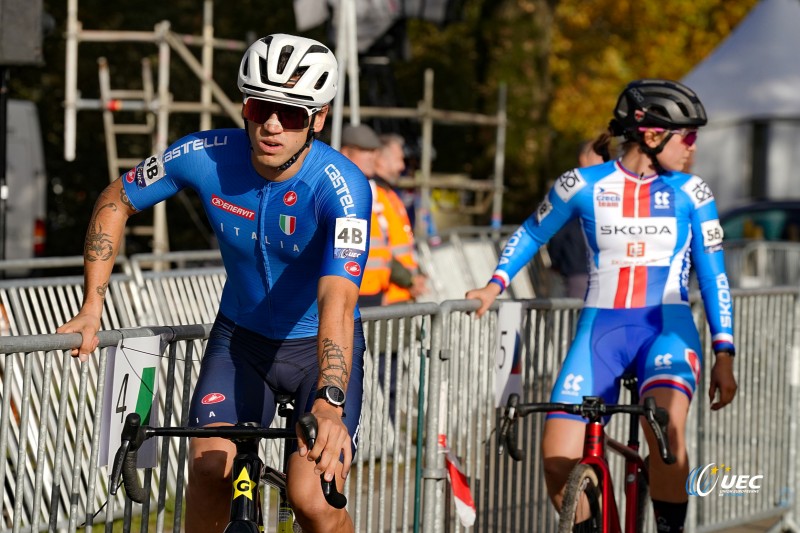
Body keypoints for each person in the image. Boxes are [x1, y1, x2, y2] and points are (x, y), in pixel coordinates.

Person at [57, 34, 372, 533]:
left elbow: (338, 294)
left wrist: (330, 398)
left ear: (319, 118)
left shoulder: (342, 186)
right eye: (258, 106)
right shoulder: (205, 153)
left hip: (317, 348)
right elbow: (115, 200)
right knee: (207, 473)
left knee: (310, 498)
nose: (270, 124)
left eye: (290, 114)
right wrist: (92, 305)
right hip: (240, 341)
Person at [466, 79, 737, 533]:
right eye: (686, 136)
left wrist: (724, 353)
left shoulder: (694, 193)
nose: (692, 147)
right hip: (600, 334)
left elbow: (713, 276)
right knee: (556, 458)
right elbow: (533, 232)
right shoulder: (582, 184)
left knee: (667, 435)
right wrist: (494, 285)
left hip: (666, 331)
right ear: (651, 136)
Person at [339, 123, 392, 307]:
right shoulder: (336, 192)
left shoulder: (374, 192)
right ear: (346, 152)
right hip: (347, 291)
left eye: (374, 151)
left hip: (374, 291)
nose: (373, 157)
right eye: (365, 151)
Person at [546, 141, 605, 299]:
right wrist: (558, 261)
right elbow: (554, 232)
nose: (604, 160)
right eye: (599, 154)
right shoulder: (570, 189)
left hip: (607, 275)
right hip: (577, 271)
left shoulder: (613, 187)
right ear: (583, 158)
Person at [374, 133, 427, 304]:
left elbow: (403, 246)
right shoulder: (373, 195)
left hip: (402, 294)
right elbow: (378, 248)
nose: (402, 166)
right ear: (381, 160)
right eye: (399, 159)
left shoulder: (390, 195)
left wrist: (418, 274)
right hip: (387, 297)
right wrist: (409, 280)